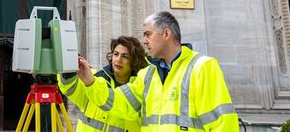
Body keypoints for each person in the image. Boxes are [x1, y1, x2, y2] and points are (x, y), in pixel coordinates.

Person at [77, 11, 238, 131]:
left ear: (166, 33)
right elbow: (120, 103)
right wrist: (91, 82)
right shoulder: (147, 74)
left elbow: (223, 124)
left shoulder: (202, 67)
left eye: (148, 34)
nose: (144, 41)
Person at [59, 36, 149, 132]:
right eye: (116, 54)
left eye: (125, 56)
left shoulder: (139, 90)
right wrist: (70, 68)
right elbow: (69, 86)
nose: (118, 60)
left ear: (134, 61)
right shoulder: (93, 78)